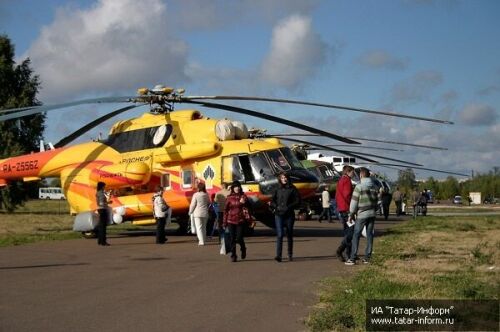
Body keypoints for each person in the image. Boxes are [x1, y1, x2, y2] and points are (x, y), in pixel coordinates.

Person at [345, 167, 378, 265]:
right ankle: (367, 257)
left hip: (362, 214)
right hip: (372, 214)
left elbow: (354, 202)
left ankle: (353, 258)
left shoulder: (359, 187)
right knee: (369, 235)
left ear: (361, 175)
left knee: (356, 235)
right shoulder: (374, 187)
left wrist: (351, 214)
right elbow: (377, 201)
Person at [270, 172, 301, 262]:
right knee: (280, 234)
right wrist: (276, 206)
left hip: (289, 215)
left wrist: (289, 207)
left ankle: (290, 253)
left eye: (285, 177)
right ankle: (278, 255)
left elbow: (298, 200)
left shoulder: (292, 188)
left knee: (289, 234)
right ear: (280, 179)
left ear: (288, 178)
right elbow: (272, 200)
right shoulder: (277, 188)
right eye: (282, 178)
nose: (284, 179)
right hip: (279, 214)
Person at [223, 181, 250, 262]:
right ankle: (233, 255)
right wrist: (224, 222)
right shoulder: (229, 197)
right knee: (232, 239)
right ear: (232, 188)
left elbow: (248, 207)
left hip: (240, 220)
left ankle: (243, 248)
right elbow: (225, 210)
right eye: (235, 187)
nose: (237, 188)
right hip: (230, 220)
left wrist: (244, 202)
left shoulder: (243, 196)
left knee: (239, 238)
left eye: (238, 187)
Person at [335, 165, 355, 262]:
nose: (353, 174)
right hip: (347, 209)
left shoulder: (340, 180)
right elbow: (347, 195)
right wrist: (352, 204)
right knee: (351, 231)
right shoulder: (347, 181)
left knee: (347, 231)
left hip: (341, 208)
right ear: (348, 172)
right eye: (352, 172)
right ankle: (341, 249)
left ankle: (349, 254)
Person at [95, 181, 110, 246]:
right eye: (104, 186)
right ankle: (103, 241)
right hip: (103, 209)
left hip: (100, 209)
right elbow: (101, 202)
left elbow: (98, 203)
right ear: (102, 187)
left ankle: (100, 240)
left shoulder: (98, 193)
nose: (105, 187)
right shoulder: (101, 193)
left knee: (101, 226)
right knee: (103, 226)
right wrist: (108, 203)